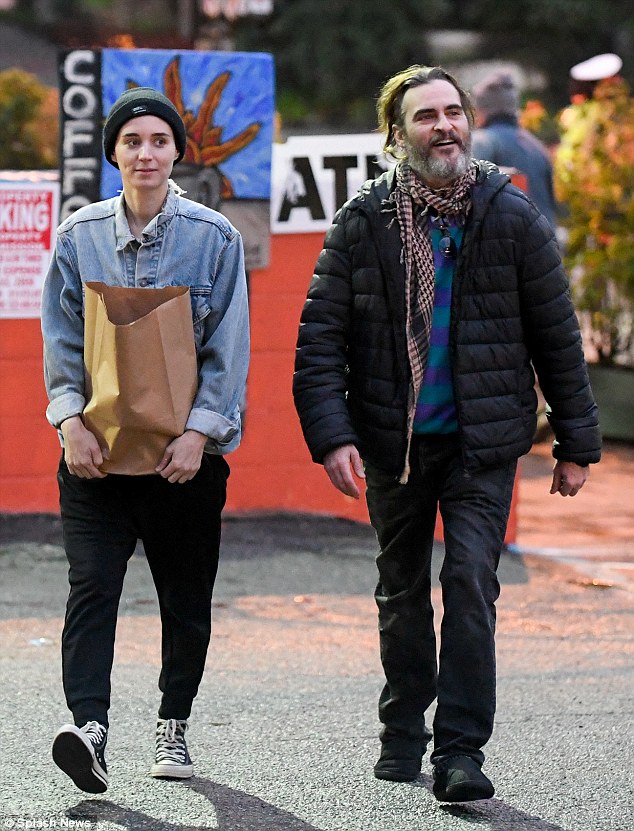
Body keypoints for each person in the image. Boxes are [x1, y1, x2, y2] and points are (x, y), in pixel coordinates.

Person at [293, 65, 600, 802]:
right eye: (425, 115)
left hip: (482, 442)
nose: (445, 126)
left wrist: (577, 441)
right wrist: (332, 435)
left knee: (468, 584)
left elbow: (555, 331)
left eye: (453, 111)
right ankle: (403, 727)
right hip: (393, 444)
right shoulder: (364, 219)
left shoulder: (509, 213)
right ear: (396, 135)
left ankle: (460, 750)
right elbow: (319, 339)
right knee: (400, 592)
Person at [41, 87, 249, 794]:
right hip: (95, 460)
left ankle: (173, 722)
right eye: (132, 141)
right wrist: (69, 419)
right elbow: (62, 341)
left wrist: (200, 434)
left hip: (181, 464)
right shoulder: (78, 237)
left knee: (184, 598)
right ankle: (90, 729)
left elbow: (229, 348)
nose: (146, 153)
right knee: (92, 586)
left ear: (177, 152)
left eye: (159, 140)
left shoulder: (213, 238)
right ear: (114, 154)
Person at [470, 70, 558, 228]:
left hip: (511, 244)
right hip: (546, 242)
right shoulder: (536, 145)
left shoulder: (482, 141)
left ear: (482, 110)